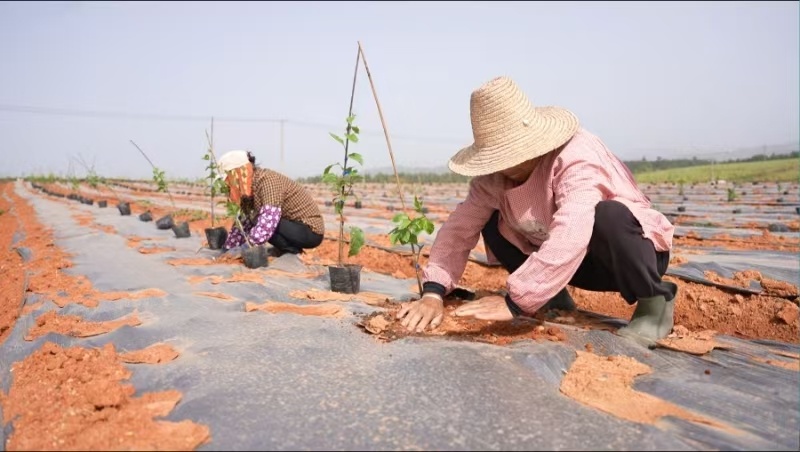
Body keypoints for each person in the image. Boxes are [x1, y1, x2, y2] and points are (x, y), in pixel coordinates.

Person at [396, 76, 678, 346]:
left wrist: (516, 301)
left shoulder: (576, 154)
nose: (501, 166)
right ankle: (551, 297)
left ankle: (654, 302)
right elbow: (460, 228)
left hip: (626, 258)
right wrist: (433, 291)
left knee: (607, 216)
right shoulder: (493, 178)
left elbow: (574, 227)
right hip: (571, 265)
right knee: (492, 222)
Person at [217, 150, 325, 256]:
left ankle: (292, 252)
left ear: (238, 174)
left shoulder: (267, 181)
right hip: (290, 226)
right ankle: (287, 250)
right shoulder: (250, 191)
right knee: (254, 218)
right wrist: (229, 247)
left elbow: (269, 220)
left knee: (261, 220)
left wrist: (246, 247)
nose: (227, 186)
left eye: (228, 180)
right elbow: (243, 224)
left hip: (310, 231)